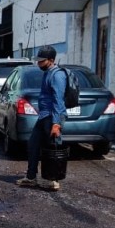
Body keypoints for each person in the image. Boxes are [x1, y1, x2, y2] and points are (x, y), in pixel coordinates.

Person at [16, 46, 67, 191]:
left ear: (51, 60)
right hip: (44, 116)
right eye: (38, 61)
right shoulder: (47, 72)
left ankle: (53, 179)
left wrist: (56, 123)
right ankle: (31, 177)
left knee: (52, 148)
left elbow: (58, 100)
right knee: (33, 144)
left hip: (52, 117)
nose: (39, 64)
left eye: (42, 61)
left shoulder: (57, 75)